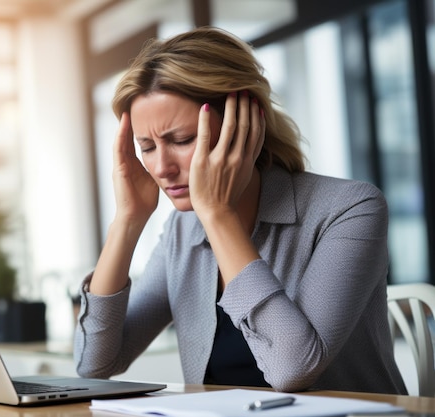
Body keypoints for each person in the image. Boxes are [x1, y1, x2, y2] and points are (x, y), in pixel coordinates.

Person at [73, 26, 407, 394]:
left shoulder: (350, 209)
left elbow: (292, 369)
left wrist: (218, 216)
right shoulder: (182, 231)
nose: (162, 167)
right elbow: (95, 363)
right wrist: (127, 220)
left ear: (245, 123)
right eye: (147, 147)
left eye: (182, 140)